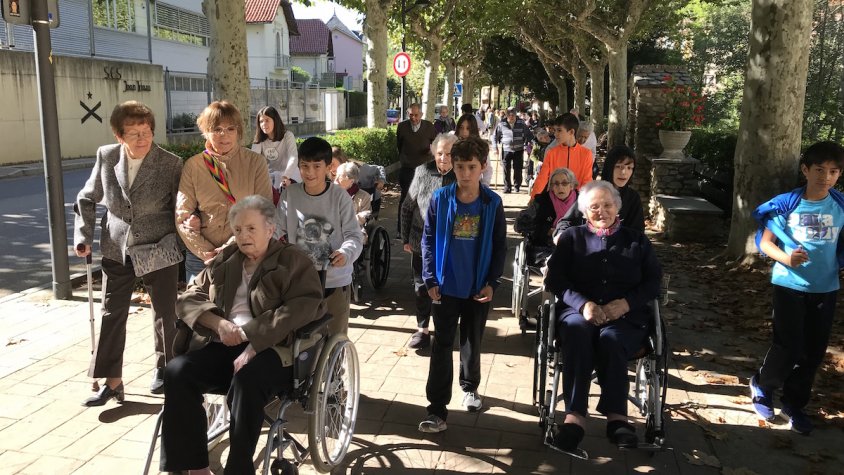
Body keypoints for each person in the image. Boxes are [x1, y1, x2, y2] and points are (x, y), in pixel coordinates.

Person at [160, 195, 325, 474]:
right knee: (176, 372)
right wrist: (217, 324)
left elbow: (303, 307)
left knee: (247, 378)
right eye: (237, 230)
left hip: (276, 348)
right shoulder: (226, 258)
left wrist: (254, 339)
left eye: (251, 228)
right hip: (224, 342)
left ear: (270, 229)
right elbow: (188, 297)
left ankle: (238, 469)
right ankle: (195, 467)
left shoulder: (293, 261)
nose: (243, 235)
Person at [74, 101, 183, 404]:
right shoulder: (107, 156)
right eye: (133, 133)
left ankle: (166, 368)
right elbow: (87, 197)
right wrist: (82, 235)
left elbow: (181, 206)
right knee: (112, 312)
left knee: (165, 312)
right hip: (116, 244)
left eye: (146, 132)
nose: (141, 139)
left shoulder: (170, 163)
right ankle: (112, 381)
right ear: (119, 136)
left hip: (159, 245)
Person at [544, 180, 662, 452]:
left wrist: (626, 303)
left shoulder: (637, 241)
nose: (601, 211)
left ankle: (617, 418)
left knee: (612, 339)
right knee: (576, 332)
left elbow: (654, 282)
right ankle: (575, 418)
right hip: (578, 313)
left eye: (607, 205)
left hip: (625, 317)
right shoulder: (572, 238)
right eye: (594, 206)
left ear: (616, 207)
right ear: (584, 211)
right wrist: (582, 304)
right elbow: (556, 280)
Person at [749, 141, 844, 435]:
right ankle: (762, 386)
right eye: (819, 169)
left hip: (825, 289)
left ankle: (794, 404)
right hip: (789, 286)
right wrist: (787, 258)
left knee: (813, 352)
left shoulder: (840, 205)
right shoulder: (786, 204)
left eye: (833, 171)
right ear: (805, 170)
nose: (825, 177)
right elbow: (765, 243)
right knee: (788, 346)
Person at [418, 136, 507, 433]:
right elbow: (428, 240)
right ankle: (437, 410)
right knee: (442, 345)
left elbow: (499, 247)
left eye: (472, 167)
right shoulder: (440, 199)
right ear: (452, 167)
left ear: (482, 167)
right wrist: (430, 277)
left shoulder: (492, 204)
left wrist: (492, 282)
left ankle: (470, 387)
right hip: (444, 287)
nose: (466, 173)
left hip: (477, 288)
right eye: (460, 167)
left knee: (472, 339)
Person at [176, 101, 273, 282]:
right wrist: (206, 252)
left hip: (246, 251)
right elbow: (182, 215)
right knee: (198, 308)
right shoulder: (193, 165)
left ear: (238, 131)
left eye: (230, 129)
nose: (224, 135)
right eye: (217, 129)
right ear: (206, 131)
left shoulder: (255, 162)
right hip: (201, 258)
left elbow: (264, 210)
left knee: (241, 309)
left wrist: (230, 248)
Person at [277, 137, 363, 336]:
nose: (310, 172)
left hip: (334, 281)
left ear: (329, 168)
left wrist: (345, 253)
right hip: (299, 281)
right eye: (304, 166)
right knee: (303, 340)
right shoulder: (290, 194)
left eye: (317, 166)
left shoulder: (339, 196)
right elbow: (275, 230)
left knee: (335, 337)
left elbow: (354, 235)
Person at [400, 134, 458, 350]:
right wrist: (405, 237)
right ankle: (422, 329)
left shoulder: (461, 174)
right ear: (434, 152)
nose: (443, 158)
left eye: (449, 153)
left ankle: (445, 328)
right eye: (440, 153)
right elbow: (407, 206)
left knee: (447, 285)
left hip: (451, 243)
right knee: (421, 286)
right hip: (420, 239)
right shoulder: (422, 171)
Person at [396, 104, 437, 234]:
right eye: (411, 115)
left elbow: (435, 144)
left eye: (416, 115)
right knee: (405, 199)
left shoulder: (429, 127)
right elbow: (399, 145)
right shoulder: (402, 127)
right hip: (407, 168)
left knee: (424, 198)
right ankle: (401, 230)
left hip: (425, 169)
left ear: (421, 114)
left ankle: (423, 229)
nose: (413, 118)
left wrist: (429, 153)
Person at [531, 113, 592, 198]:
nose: (555, 134)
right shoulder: (551, 152)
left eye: (559, 130)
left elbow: (587, 180)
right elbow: (542, 178)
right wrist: (533, 197)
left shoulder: (586, 154)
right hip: (553, 201)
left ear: (571, 132)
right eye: (555, 130)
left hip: (577, 202)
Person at [251, 106, 301, 190]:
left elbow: (293, 157)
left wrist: (286, 176)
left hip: (289, 174)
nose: (264, 124)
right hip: (271, 177)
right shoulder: (260, 139)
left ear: (275, 121)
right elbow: (253, 160)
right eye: (261, 121)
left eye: (267, 120)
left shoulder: (287, 136)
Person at [601, 146, 645, 233]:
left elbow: (637, 232)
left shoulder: (633, 198)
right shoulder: (592, 194)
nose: (624, 172)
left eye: (629, 168)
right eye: (619, 166)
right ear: (609, 167)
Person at [493, 107, 534, 193]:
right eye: (509, 115)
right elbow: (495, 136)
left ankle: (517, 186)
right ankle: (507, 187)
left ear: (516, 115)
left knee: (518, 169)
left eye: (513, 115)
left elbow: (529, 134)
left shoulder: (521, 123)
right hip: (506, 149)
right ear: (506, 115)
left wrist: (531, 143)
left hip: (518, 149)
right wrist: (495, 147)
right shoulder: (502, 123)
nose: (511, 117)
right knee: (506, 168)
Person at [456, 113, 492, 186]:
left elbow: (487, 170)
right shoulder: (452, 144)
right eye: (461, 127)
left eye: (468, 128)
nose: (464, 132)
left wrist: (484, 186)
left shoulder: (481, 147)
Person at [335, 161, 373, 228]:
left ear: (351, 181)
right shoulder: (333, 193)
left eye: (340, 176)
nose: (336, 180)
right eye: (336, 175)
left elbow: (364, 215)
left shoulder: (364, 197)